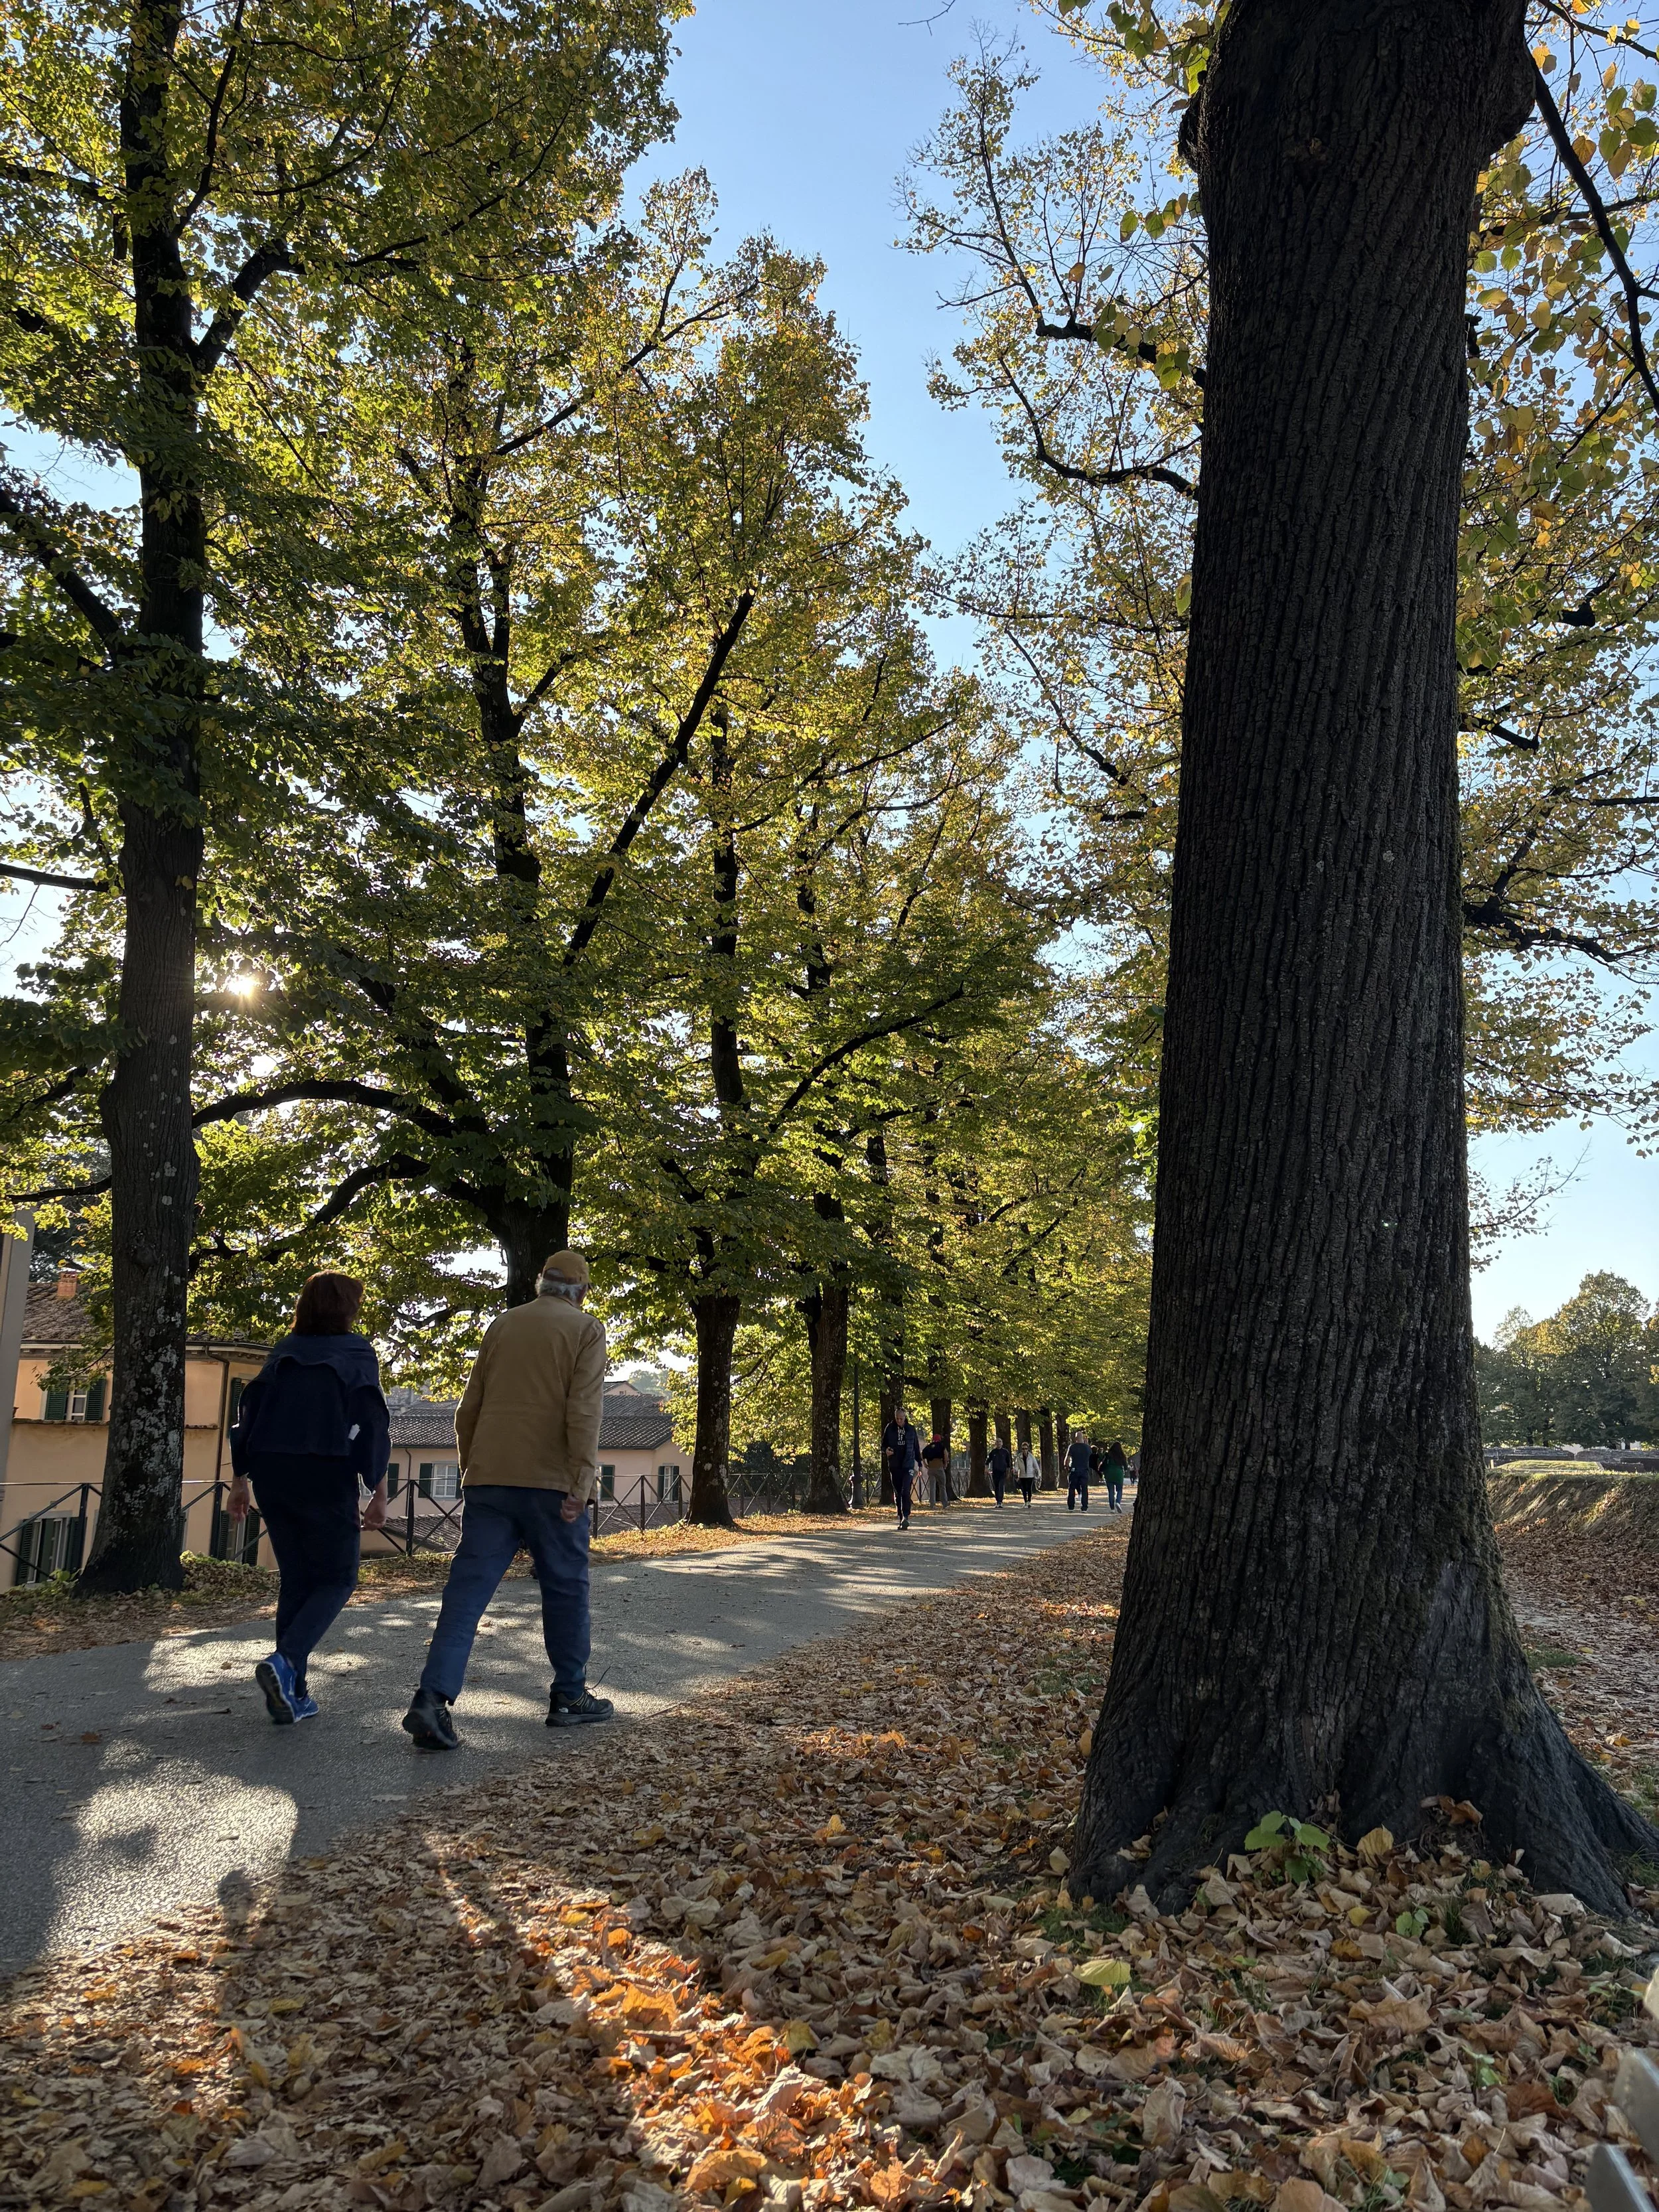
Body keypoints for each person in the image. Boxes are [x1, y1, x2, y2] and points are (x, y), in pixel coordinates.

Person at [402, 1251, 613, 1750]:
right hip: (552, 1482)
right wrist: (582, 1481)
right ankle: (568, 1694)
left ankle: (431, 1698)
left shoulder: (502, 1324)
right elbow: (583, 1409)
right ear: (581, 1292)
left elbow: (467, 1408)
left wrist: (472, 1466)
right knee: (565, 1587)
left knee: (467, 1592)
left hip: (490, 1480)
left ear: (541, 1284)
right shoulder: (586, 1329)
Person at [228, 1272, 390, 1725]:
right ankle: (286, 1660)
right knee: (338, 1578)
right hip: (324, 1470)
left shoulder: (284, 1350)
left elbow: (248, 1413)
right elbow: (371, 1420)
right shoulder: (356, 1351)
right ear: (346, 1308)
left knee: (297, 1579)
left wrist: (239, 1479)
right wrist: (378, 1488)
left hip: (271, 1473)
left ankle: (293, 1694)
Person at [881, 1405, 922, 1530]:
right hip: (894, 1464)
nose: (899, 1421)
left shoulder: (911, 1430)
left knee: (906, 1490)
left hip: (908, 1464)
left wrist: (919, 1464)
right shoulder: (890, 1428)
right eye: (897, 1419)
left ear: (905, 1418)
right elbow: (883, 1445)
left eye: (901, 1419)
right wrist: (886, 1450)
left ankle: (906, 1516)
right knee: (898, 1492)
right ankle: (901, 1518)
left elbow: (916, 1447)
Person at [921, 1429, 950, 1507]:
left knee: (932, 1487)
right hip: (939, 1467)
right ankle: (945, 1504)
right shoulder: (942, 1446)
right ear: (940, 1439)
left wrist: (925, 1464)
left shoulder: (928, 1447)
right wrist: (946, 1464)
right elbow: (946, 1455)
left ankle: (932, 1504)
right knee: (942, 1486)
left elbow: (922, 1454)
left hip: (931, 1468)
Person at [1066, 1427, 1092, 1512]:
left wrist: (1066, 1466)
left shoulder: (1072, 1447)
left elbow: (1068, 1458)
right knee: (1084, 1489)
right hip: (1084, 1470)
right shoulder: (1088, 1448)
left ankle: (1071, 1506)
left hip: (1074, 1470)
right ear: (1083, 1438)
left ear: (1076, 1438)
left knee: (1072, 1488)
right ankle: (1084, 1507)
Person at [1102, 1437, 1128, 1512]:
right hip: (1118, 1474)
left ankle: (1112, 1508)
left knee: (1111, 1491)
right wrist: (1124, 1470)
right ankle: (1118, 1502)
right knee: (1119, 1490)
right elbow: (1126, 1467)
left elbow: (1104, 1463)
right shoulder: (1122, 1455)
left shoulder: (1108, 1454)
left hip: (1109, 1473)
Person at [987, 1433, 1011, 1508]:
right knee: (996, 1487)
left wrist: (1008, 1472)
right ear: (995, 1443)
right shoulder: (993, 1452)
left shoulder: (1005, 1452)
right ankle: (997, 1501)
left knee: (1001, 1486)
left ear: (1002, 1443)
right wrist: (986, 1469)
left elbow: (1008, 1463)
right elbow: (988, 1461)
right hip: (995, 1472)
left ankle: (1001, 1501)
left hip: (1003, 1472)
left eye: (1000, 1441)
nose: (998, 1443)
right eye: (997, 1442)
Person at [1017, 1441, 1039, 1507]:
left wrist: (1038, 1473)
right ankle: (1025, 1501)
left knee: (1029, 1488)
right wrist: (1015, 1470)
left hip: (1030, 1475)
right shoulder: (1019, 1457)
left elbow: (1036, 1465)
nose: (1024, 1450)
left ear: (1028, 1449)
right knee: (1023, 1489)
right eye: (1023, 1449)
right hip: (1022, 1475)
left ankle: (1029, 1501)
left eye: (1026, 1449)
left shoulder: (1031, 1457)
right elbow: (1017, 1465)